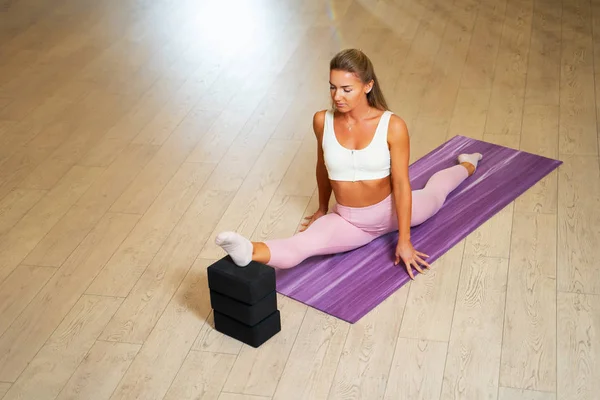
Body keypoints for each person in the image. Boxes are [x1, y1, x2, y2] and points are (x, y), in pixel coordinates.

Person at [215, 48, 482, 279]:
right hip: (349, 221)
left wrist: (404, 240)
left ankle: (467, 165)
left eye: (346, 89)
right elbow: (322, 168)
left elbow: (401, 183)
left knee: (436, 194)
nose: (337, 96)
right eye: (332, 87)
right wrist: (322, 208)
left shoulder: (393, 125)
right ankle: (248, 249)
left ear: (368, 86)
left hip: (391, 210)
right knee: (302, 245)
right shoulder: (322, 121)